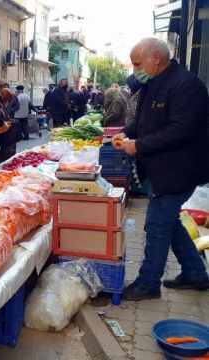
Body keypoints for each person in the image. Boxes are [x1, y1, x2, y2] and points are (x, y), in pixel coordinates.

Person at [113, 37, 209, 301]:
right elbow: (144, 123)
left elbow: (180, 131)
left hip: (179, 171)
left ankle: (148, 283)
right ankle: (195, 274)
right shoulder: (153, 84)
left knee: (156, 226)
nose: (135, 71)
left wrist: (138, 146)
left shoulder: (186, 85)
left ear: (156, 58)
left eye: (137, 64)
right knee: (170, 223)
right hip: (160, 170)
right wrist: (124, 133)